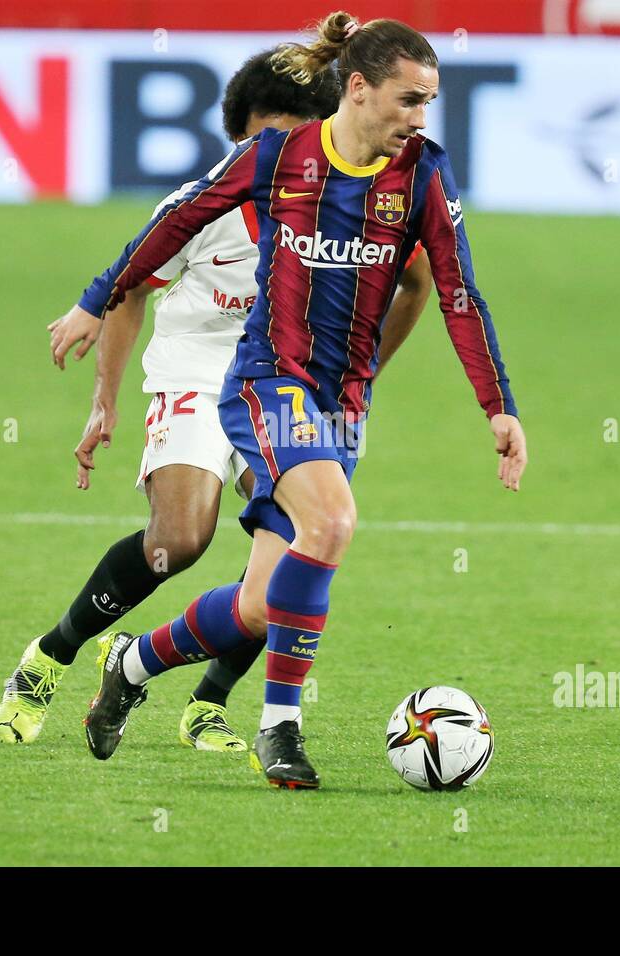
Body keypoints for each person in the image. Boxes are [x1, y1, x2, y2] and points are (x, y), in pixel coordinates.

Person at [77, 11, 527, 789]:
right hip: (266, 383)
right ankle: (279, 729)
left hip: (342, 402)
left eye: (429, 102)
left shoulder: (421, 173)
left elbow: (457, 293)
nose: (420, 119)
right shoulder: (279, 157)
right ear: (357, 89)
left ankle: (135, 660)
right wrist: (95, 300)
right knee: (334, 521)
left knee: (260, 604)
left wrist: (498, 405)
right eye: (409, 100)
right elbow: (176, 223)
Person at [0, 46, 433, 752]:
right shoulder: (208, 201)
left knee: (297, 545)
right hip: (197, 372)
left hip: (291, 381)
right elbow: (132, 286)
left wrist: (366, 368)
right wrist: (104, 401)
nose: (274, 152)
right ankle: (53, 653)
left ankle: (208, 702)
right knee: (180, 540)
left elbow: (417, 284)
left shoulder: (344, 199)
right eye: (261, 138)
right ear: (240, 137)